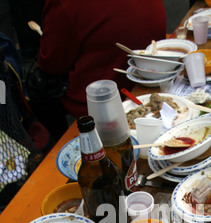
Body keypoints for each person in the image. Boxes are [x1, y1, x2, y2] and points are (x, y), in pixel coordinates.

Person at [29, 0, 166, 140]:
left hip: (106, 95)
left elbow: (52, 64)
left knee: (36, 87)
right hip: (156, 66)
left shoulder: (63, 4)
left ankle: (60, 145)